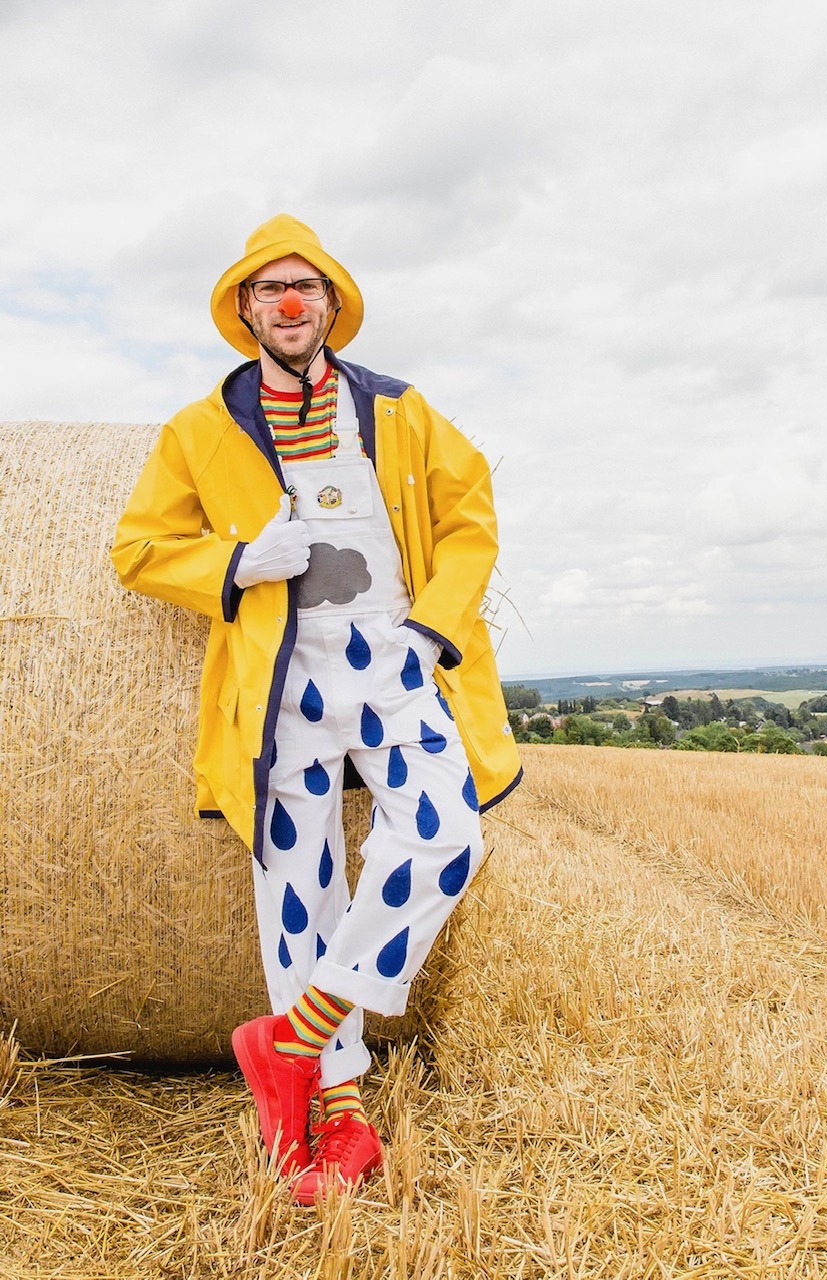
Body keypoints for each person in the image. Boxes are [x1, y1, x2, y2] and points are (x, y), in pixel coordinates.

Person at [112, 214, 522, 1204]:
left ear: (331, 305)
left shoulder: (399, 409)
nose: (289, 304)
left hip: (393, 656)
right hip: (280, 671)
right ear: (244, 309)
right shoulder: (199, 430)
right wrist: (236, 562)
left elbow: (470, 518)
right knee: (297, 888)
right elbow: (138, 547)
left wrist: (431, 625)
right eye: (269, 289)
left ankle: (292, 1035)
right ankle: (329, 1107)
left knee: (442, 834)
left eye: (305, 288)